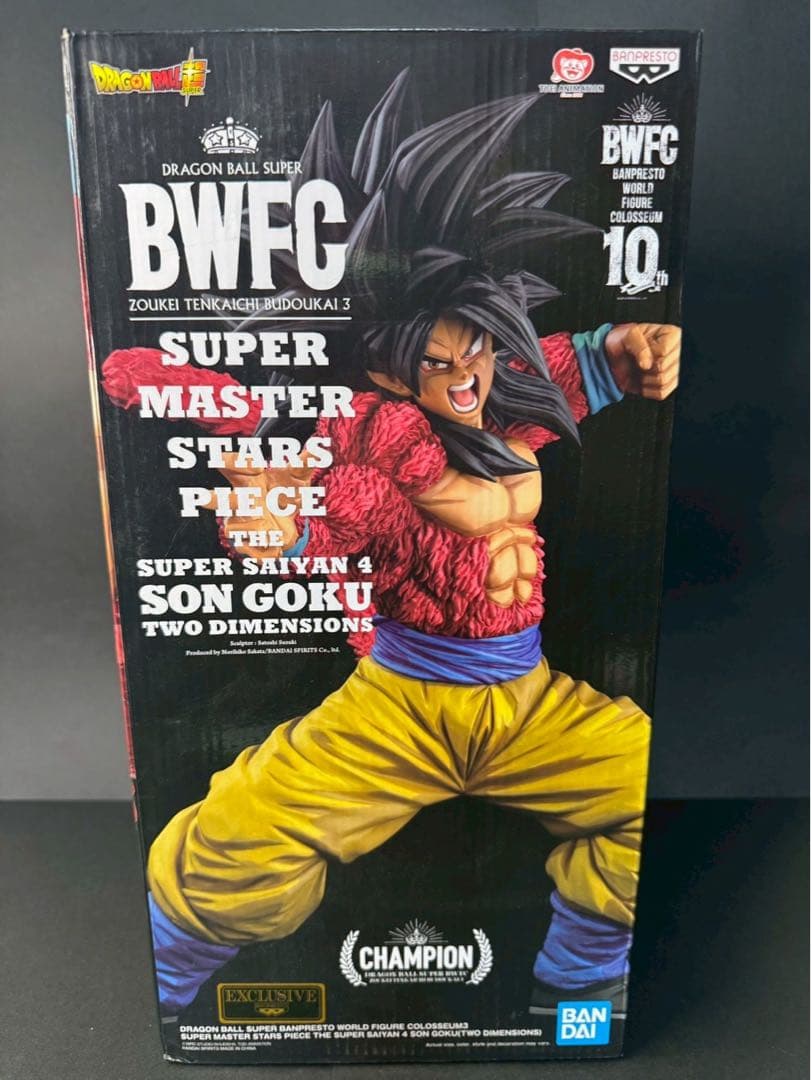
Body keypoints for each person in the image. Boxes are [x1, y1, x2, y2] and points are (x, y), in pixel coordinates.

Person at [103, 72, 680, 1019]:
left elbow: (576, 367)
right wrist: (277, 526)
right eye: (435, 362)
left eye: (475, 350)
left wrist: (634, 346)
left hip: (530, 702)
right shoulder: (372, 449)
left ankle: (576, 993)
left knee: (643, 791)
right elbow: (324, 522)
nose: (463, 376)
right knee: (235, 841)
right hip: (397, 709)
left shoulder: (506, 401)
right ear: (386, 367)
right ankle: (170, 999)